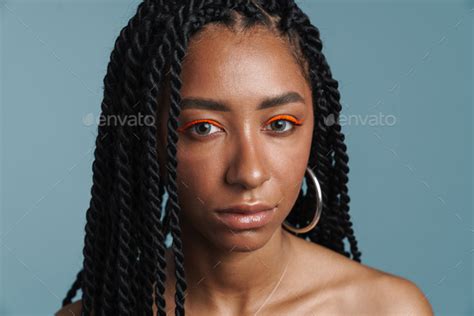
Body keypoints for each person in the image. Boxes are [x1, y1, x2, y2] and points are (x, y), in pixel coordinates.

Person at [55, 0, 434, 315]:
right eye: (203, 128)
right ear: (147, 141)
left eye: (281, 124)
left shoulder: (385, 309)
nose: (249, 173)